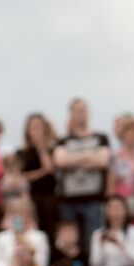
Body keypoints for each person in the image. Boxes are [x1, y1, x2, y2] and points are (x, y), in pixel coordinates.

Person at [52, 96, 112, 244]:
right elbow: (60, 161)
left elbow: (104, 160)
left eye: (84, 110)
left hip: (93, 199)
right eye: (78, 111)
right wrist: (90, 156)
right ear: (71, 114)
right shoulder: (63, 141)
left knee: (93, 239)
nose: (81, 113)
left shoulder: (101, 138)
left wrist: (72, 159)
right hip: (68, 200)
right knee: (69, 240)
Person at [89, 195, 134, 266]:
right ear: (106, 211)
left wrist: (120, 245)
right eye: (111, 207)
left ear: (126, 210)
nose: (115, 211)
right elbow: (95, 264)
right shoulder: (98, 234)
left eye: (119, 207)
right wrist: (101, 245)